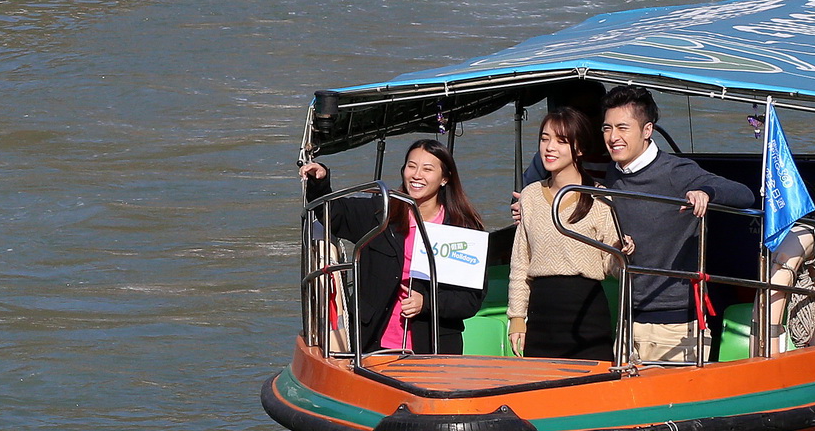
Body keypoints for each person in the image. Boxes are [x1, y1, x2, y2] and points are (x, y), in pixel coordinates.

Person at [597, 86, 756, 365]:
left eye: (623, 127)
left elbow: (744, 194)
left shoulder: (675, 171)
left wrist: (705, 192)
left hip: (676, 324)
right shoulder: (613, 173)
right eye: (607, 128)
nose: (613, 137)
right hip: (628, 320)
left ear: (647, 130)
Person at [301, 139, 489, 354]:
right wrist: (320, 180)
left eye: (428, 169)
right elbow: (333, 212)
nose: (417, 175)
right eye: (411, 166)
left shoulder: (463, 230)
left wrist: (425, 302)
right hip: (372, 344)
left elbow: (470, 301)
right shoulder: (381, 213)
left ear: (445, 178)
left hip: (433, 348)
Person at [508, 107, 623, 358]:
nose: (550, 147)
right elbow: (520, 262)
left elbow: (611, 265)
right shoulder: (530, 195)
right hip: (541, 314)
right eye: (545, 138)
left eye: (561, 141)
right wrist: (517, 317)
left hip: (587, 315)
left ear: (579, 149)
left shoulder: (599, 197)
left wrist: (623, 253)